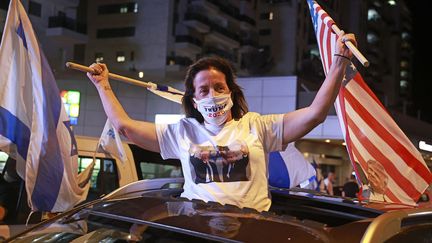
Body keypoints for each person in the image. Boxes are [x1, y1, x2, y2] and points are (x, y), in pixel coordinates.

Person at [86, 33, 356, 212]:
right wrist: (103, 86)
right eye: (203, 90)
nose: (212, 94)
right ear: (193, 101)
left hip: (252, 231)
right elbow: (123, 127)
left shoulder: (257, 126)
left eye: (219, 87)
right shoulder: (181, 132)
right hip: (195, 232)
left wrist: (339, 62)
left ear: (231, 92)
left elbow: (316, 113)